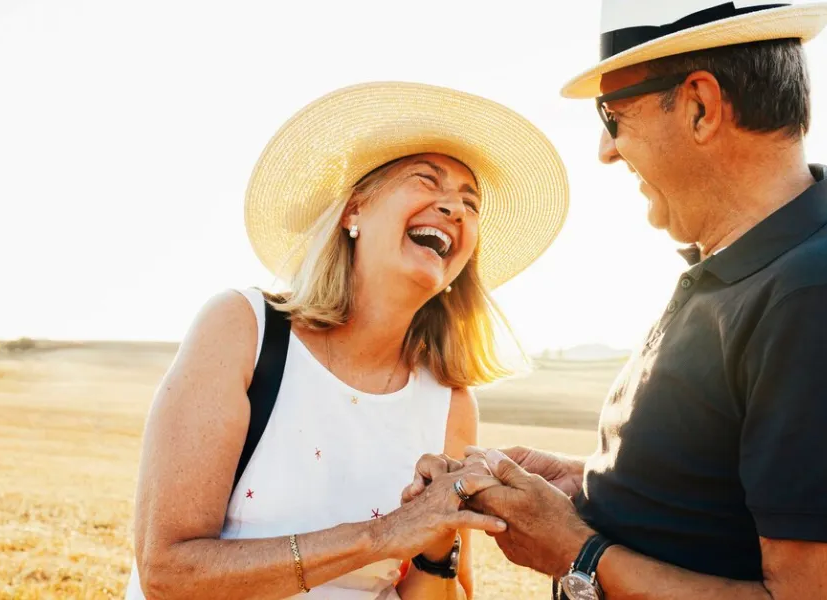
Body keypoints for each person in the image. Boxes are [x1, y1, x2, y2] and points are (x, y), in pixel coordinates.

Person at [453, 2, 827, 599]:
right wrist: (588, 485)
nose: (605, 149)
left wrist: (575, 550)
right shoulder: (751, 270)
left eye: (612, 114)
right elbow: (706, 507)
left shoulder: (820, 297)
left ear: (700, 105)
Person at [124, 81, 569, 599]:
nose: (455, 210)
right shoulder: (242, 328)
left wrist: (435, 544)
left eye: (470, 205)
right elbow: (168, 573)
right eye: (427, 181)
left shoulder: (449, 404)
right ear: (353, 211)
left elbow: (446, 589)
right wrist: (380, 537)